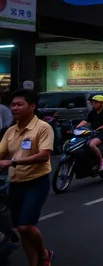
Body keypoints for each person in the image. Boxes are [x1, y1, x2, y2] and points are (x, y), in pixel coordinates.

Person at [0, 89, 54, 266]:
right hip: (15, 184)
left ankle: (44, 254)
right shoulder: (10, 131)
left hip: (36, 182)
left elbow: (44, 155)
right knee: (21, 230)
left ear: (32, 106)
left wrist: (13, 162)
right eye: (13, 105)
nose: (14, 108)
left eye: (19, 104)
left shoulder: (43, 128)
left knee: (25, 226)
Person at [76, 95, 103, 171]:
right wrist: (77, 127)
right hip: (93, 133)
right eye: (93, 102)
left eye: (96, 102)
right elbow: (85, 121)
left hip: (102, 134)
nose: (93, 104)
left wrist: (100, 127)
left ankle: (102, 161)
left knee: (91, 145)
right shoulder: (92, 112)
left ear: (101, 103)